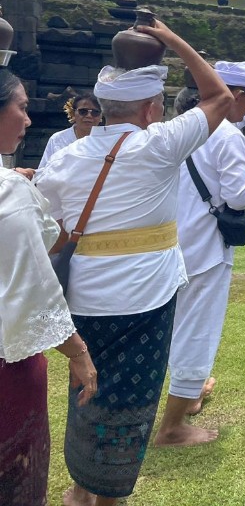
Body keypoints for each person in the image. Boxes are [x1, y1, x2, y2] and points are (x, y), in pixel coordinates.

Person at [35, 21, 232, 506]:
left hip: (84, 294)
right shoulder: (160, 144)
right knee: (132, 401)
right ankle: (110, 496)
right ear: (152, 107)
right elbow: (220, 97)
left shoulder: (67, 157)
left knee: (86, 390)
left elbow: (53, 233)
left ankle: (83, 487)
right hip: (147, 295)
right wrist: (178, 43)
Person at [155, 61, 245, 447]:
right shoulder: (228, 135)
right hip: (205, 246)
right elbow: (237, 196)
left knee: (174, 326)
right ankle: (172, 426)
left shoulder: (176, 128)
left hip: (169, 240)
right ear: (237, 95)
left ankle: (190, 393)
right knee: (197, 331)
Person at [0, 68, 97, 505]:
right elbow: (33, 283)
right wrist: (77, 351)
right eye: (21, 107)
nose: (27, 119)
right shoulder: (9, 194)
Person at [38, 93, 102, 169]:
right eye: (83, 111)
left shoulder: (106, 141)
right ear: (73, 113)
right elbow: (44, 169)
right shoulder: (57, 139)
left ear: (101, 116)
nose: (89, 116)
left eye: (95, 112)